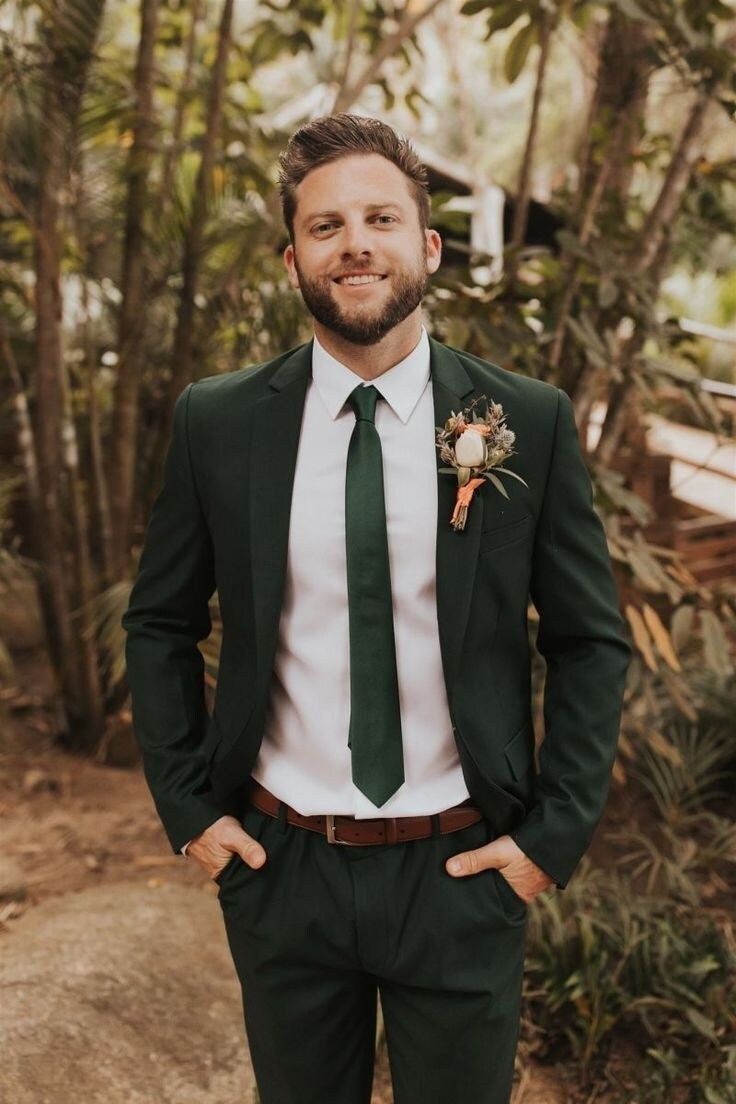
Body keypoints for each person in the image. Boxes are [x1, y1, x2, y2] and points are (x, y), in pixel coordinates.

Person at [122, 113, 631, 1104]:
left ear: (426, 247)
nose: (354, 242)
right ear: (292, 260)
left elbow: (587, 639)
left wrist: (548, 841)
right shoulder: (216, 423)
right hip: (281, 867)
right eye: (326, 226)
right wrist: (191, 811)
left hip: (460, 871)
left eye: (380, 218)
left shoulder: (522, 421)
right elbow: (159, 623)